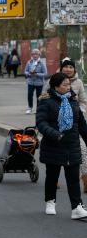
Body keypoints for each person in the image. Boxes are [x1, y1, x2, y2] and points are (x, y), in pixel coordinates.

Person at [36, 72, 87, 219]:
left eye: (69, 84)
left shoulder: (73, 100)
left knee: (73, 178)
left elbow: (82, 125)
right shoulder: (46, 101)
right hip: (54, 144)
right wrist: (54, 134)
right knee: (52, 176)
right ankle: (50, 202)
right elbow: (41, 122)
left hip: (72, 145)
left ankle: (76, 207)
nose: (68, 87)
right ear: (56, 86)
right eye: (65, 84)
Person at [43, 59, 87, 192]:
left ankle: (85, 180)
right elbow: (44, 98)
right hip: (54, 125)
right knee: (54, 154)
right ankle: (53, 180)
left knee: (83, 151)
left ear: (74, 69)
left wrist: (77, 112)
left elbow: (83, 101)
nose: (68, 69)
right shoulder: (53, 81)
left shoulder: (78, 83)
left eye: (71, 67)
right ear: (61, 69)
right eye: (66, 67)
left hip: (74, 125)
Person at [24, 49, 47, 114]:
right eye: (33, 54)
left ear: (39, 55)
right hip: (30, 82)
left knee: (38, 96)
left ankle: (38, 109)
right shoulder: (29, 62)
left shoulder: (41, 63)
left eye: (36, 54)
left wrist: (37, 74)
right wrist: (29, 73)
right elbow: (25, 71)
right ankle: (30, 108)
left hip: (39, 83)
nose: (35, 56)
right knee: (29, 95)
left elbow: (45, 73)